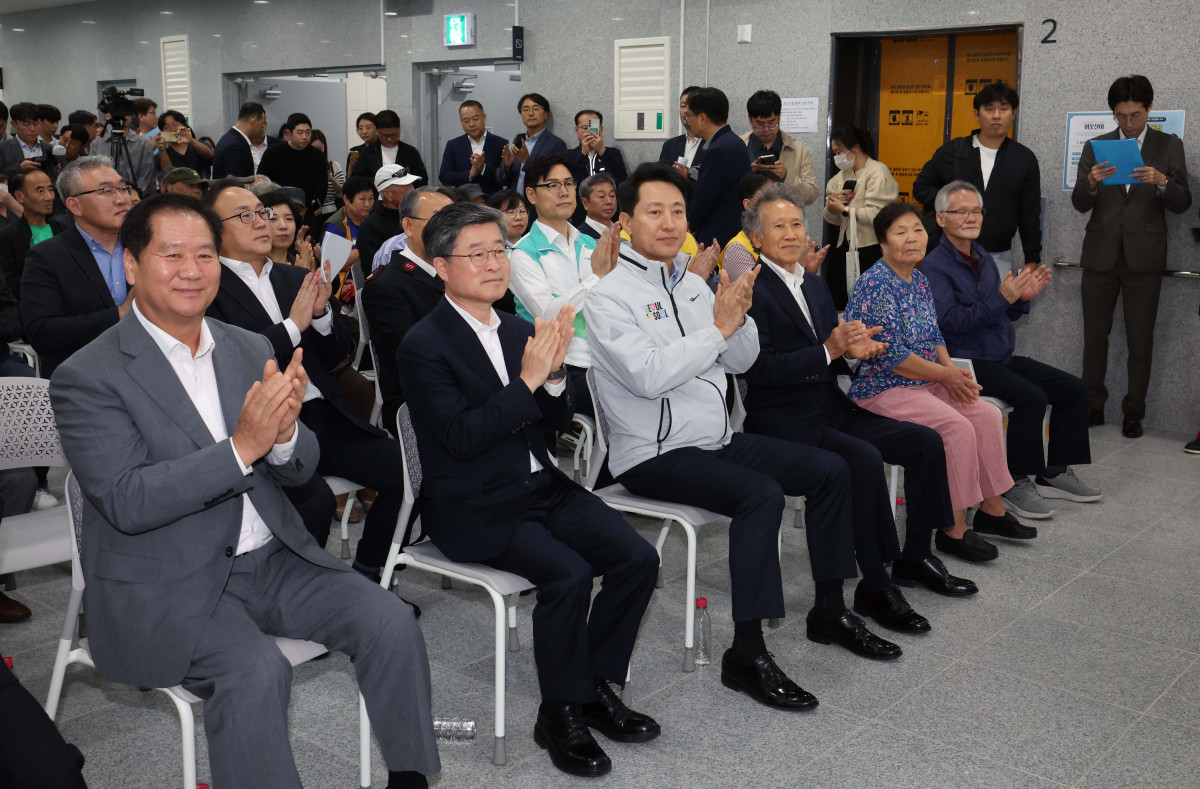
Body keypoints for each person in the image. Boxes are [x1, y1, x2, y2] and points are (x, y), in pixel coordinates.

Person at [50, 192, 439, 789]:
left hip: (273, 559)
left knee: (389, 620)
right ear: (132, 266)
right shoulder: (88, 375)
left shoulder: (247, 346)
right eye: (171, 254)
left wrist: (282, 438)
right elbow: (128, 500)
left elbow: (298, 463)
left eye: (204, 254)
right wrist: (242, 447)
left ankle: (411, 778)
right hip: (170, 577)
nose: (192, 270)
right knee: (255, 672)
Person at [587, 164, 901, 708]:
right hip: (652, 453)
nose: (668, 222)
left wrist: (738, 315)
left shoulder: (690, 284)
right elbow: (650, 376)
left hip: (713, 439)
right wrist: (718, 328)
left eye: (678, 211)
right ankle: (747, 653)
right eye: (654, 211)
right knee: (761, 495)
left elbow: (742, 359)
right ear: (625, 221)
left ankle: (829, 609)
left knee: (830, 470)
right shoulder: (608, 296)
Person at [397, 201, 660, 779]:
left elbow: (553, 425)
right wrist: (529, 380)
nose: (494, 264)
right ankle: (559, 712)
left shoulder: (518, 328)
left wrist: (556, 374)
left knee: (638, 557)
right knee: (566, 575)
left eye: (499, 251)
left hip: (540, 483)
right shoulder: (424, 344)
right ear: (441, 266)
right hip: (474, 501)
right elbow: (463, 439)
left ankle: (591, 686)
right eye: (477, 254)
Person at [742, 183, 978, 618]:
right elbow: (759, 371)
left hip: (829, 405)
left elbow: (834, 350)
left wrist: (852, 351)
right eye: (779, 226)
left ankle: (916, 554)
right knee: (862, 459)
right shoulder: (751, 289)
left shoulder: (812, 284)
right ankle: (873, 582)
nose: (792, 233)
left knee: (926, 443)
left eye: (797, 223)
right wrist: (832, 350)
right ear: (757, 238)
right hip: (783, 420)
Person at [202, 182, 409, 577]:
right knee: (311, 505)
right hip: (263, 425)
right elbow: (232, 359)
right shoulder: (208, 287)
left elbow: (332, 357)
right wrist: (294, 327)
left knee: (410, 471)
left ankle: (369, 571)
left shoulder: (290, 277)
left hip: (323, 413)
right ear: (213, 229)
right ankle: (297, 594)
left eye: (262, 213)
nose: (262, 222)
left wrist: (320, 316)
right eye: (245, 215)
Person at [844, 202, 1031, 562]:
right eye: (900, 232)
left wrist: (952, 375)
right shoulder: (875, 283)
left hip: (925, 381)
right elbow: (891, 355)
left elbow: (934, 335)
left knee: (985, 414)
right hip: (883, 387)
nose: (912, 238)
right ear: (882, 243)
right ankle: (953, 529)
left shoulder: (920, 280)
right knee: (956, 426)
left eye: (917, 229)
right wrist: (943, 376)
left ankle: (992, 510)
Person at [924, 181, 1103, 518]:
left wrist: (1020, 301)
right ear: (941, 218)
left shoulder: (983, 258)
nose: (971, 217)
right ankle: (1013, 482)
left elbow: (998, 309)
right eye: (960, 211)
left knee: (1074, 389)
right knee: (1031, 397)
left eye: (976, 210)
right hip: (966, 361)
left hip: (999, 356)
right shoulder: (934, 267)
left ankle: (1055, 471)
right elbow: (950, 324)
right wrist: (1002, 300)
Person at [1072, 74, 1191, 439]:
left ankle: (1134, 411)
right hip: (1100, 254)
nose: (1127, 123)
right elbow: (1079, 204)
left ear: (1150, 109)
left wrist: (1161, 182)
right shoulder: (1096, 145)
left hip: (1145, 255)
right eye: (1120, 116)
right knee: (1095, 336)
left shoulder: (1169, 145)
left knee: (1141, 339)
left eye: (1135, 115)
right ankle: (1093, 404)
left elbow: (1183, 203)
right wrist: (1090, 183)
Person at [510, 155, 624, 419]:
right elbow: (549, 315)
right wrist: (597, 277)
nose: (563, 192)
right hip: (563, 366)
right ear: (531, 194)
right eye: (552, 185)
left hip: (606, 356)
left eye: (569, 183)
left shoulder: (589, 242)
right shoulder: (523, 254)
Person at [20, 156, 134, 378]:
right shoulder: (47, 257)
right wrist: (119, 314)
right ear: (75, 205)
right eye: (107, 191)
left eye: (123, 188)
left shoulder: (147, 246)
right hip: (83, 377)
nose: (122, 199)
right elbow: (42, 332)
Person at [913, 82, 1042, 278]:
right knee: (945, 307)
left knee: (994, 306)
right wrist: (953, 203)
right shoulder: (953, 151)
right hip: (950, 251)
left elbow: (1030, 214)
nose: (996, 115)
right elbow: (920, 187)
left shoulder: (1024, 159)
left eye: (1004, 109)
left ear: (1014, 114)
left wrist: (1032, 260)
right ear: (977, 114)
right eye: (989, 109)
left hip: (997, 255)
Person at [361, 187, 453, 430]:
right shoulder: (386, 286)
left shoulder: (461, 272)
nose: (448, 228)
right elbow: (416, 356)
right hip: (421, 399)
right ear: (409, 227)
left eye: (453, 219)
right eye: (437, 219)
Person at [823, 125, 899, 310]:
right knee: (841, 299)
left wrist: (845, 210)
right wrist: (834, 208)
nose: (837, 158)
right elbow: (831, 218)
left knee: (871, 302)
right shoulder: (839, 177)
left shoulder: (877, 172)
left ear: (854, 148)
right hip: (845, 246)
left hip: (871, 247)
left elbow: (877, 215)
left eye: (839, 152)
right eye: (834, 153)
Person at [685, 87, 750, 247]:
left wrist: (691, 224)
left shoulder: (719, 149)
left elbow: (705, 197)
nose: (688, 122)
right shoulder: (733, 141)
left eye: (689, 116)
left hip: (718, 236)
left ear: (702, 118)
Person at [738, 90, 818, 205]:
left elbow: (811, 196)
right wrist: (747, 172)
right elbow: (723, 192)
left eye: (772, 123)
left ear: (779, 117)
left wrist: (786, 176)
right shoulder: (738, 146)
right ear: (750, 120)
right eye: (760, 124)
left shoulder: (799, 149)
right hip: (747, 219)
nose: (766, 130)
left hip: (785, 219)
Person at [0, 169, 70, 300]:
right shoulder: (8, 237)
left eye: (50, 189)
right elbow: (12, 286)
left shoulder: (65, 230)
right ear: (20, 196)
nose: (49, 197)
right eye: (40, 191)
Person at [256, 113, 327, 218]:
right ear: (289, 133)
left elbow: (322, 183)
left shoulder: (318, 155)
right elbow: (261, 180)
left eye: (308, 132)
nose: (304, 137)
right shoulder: (273, 153)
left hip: (307, 210)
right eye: (300, 132)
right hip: (278, 209)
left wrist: (317, 201)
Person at [565, 110, 627, 224]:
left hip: (609, 215)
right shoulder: (569, 155)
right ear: (576, 130)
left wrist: (602, 150)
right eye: (584, 127)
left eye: (593, 127)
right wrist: (582, 153)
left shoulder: (613, 153)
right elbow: (568, 180)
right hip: (578, 214)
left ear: (601, 129)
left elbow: (622, 178)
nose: (589, 132)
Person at [719, 171, 783, 280]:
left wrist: (808, 270)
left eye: (779, 198)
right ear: (748, 205)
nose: (776, 204)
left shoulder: (782, 239)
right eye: (768, 198)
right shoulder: (738, 249)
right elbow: (760, 295)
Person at [502, 93, 569, 197]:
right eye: (525, 110)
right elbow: (504, 180)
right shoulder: (517, 141)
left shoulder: (556, 144)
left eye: (536, 109)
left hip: (539, 205)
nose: (530, 113)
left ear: (546, 114)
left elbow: (554, 179)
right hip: (515, 204)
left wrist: (527, 161)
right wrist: (507, 166)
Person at [439, 100, 508, 197]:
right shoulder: (453, 145)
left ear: (484, 117)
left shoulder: (501, 143)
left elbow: (505, 179)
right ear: (461, 121)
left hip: (493, 202)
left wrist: (484, 168)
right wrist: (469, 174)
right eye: (466, 121)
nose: (471, 124)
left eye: (475, 119)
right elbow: (444, 177)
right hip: (463, 202)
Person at [357, 164, 420, 271]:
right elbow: (375, 269)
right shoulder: (371, 227)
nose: (412, 189)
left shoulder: (417, 216)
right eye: (404, 186)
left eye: (411, 183)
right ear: (387, 194)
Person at [347, 110, 427, 185]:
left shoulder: (410, 152)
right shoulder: (366, 153)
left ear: (399, 130)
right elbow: (358, 181)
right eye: (385, 136)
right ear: (377, 132)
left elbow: (422, 179)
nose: (389, 139)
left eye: (393, 135)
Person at [657, 86, 707, 182]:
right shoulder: (669, 145)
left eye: (691, 105)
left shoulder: (714, 144)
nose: (686, 111)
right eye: (683, 106)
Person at [0, 102, 56, 177]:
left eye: (36, 124)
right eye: (26, 125)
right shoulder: (3, 149)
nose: (32, 129)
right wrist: (18, 169)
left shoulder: (49, 149)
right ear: (14, 124)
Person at [212, 102, 267, 179]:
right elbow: (237, 182)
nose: (262, 127)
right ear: (254, 121)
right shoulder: (234, 146)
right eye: (262, 123)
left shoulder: (230, 138)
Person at [153, 109, 213, 174]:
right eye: (166, 127)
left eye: (175, 125)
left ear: (183, 126)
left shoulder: (199, 145)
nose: (172, 130)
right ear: (162, 133)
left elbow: (209, 154)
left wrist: (191, 140)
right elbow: (167, 174)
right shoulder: (161, 155)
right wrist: (162, 150)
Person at [309, 129, 344, 223]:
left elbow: (342, 193)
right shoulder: (304, 168)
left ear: (324, 147)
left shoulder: (333, 165)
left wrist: (331, 179)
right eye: (313, 149)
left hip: (331, 213)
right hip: (310, 213)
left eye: (320, 149)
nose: (317, 152)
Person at [576, 173, 618, 239]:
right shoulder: (578, 237)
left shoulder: (622, 232)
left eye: (612, 195)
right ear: (585, 203)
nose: (609, 201)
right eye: (601, 196)